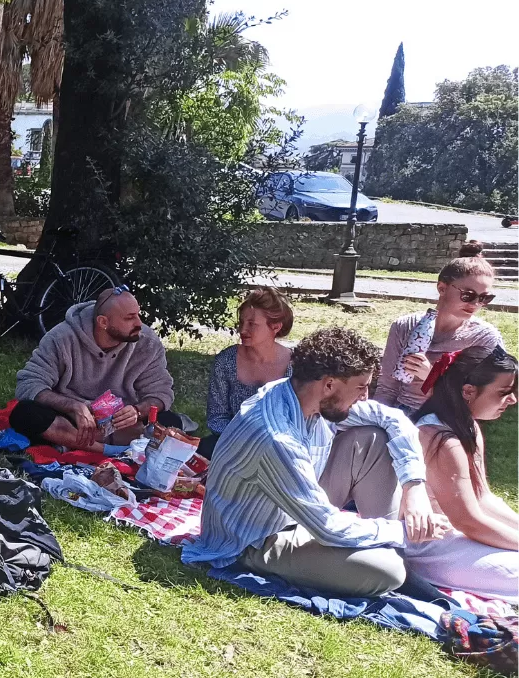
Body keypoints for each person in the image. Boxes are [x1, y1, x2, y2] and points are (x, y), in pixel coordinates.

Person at [183, 328, 449, 598]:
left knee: (373, 438)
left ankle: (383, 546)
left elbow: (394, 419)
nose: (365, 396)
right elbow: (328, 526)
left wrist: (414, 487)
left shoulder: (310, 398)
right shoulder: (276, 437)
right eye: (361, 387)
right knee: (389, 571)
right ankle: (389, 551)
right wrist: (402, 531)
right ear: (330, 384)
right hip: (252, 541)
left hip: (295, 510)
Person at [404, 346, 518, 601]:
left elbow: (484, 498)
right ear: (468, 391)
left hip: (456, 534)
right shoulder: (441, 439)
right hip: (426, 544)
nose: (512, 400)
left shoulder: (466, 426)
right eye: (504, 392)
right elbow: (466, 519)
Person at [10, 286, 185, 451]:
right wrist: (74, 407)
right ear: (103, 322)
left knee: (171, 422)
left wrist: (137, 411)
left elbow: (161, 394)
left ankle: (71, 442)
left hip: (124, 422)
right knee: (25, 413)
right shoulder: (62, 338)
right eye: (129, 318)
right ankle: (109, 450)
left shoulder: (147, 342)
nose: (139, 323)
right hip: (73, 420)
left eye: (138, 315)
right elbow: (29, 384)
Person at [374, 254, 503, 414]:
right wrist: (375, 419)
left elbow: (479, 399)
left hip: (446, 420)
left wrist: (432, 377)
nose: (475, 304)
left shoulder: (485, 338)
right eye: (468, 295)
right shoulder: (405, 326)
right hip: (399, 413)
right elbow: (387, 387)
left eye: (484, 298)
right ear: (442, 288)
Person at [201, 287, 294, 458]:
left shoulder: (295, 364)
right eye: (241, 323)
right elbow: (216, 418)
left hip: (281, 447)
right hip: (233, 442)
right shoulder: (226, 361)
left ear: (275, 327)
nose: (242, 330)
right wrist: (244, 439)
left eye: (252, 324)